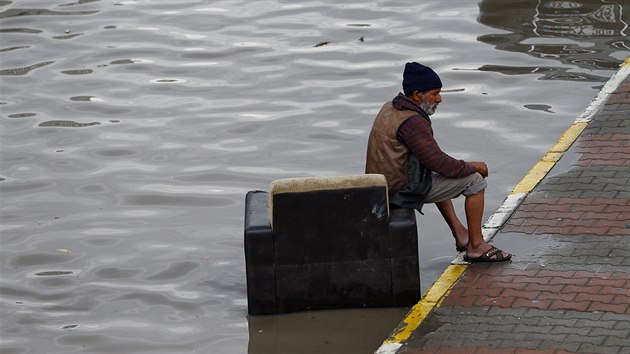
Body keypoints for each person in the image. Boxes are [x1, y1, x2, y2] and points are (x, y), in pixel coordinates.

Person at [365, 62, 511, 263]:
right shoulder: (413, 122)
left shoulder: (390, 107)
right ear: (417, 95)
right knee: (475, 181)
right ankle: (476, 247)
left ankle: (462, 235)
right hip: (399, 192)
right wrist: (473, 166)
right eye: (435, 93)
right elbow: (440, 163)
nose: (439, 99)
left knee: (440, 172)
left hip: (380, 186)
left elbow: (432, 160)